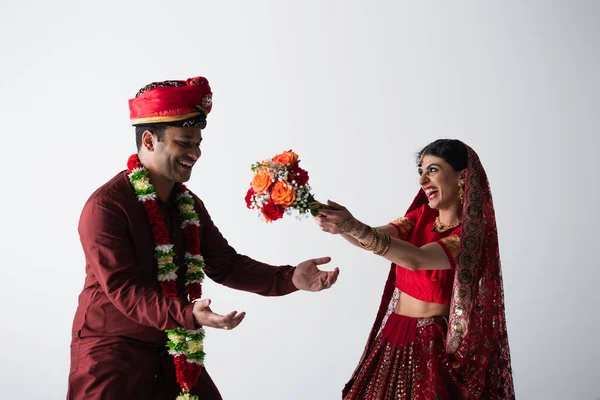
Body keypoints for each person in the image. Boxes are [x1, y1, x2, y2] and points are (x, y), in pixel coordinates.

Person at [67, 76, 340, 400]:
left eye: (197, 144)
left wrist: (290, 278)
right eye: (184, 143)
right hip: (113, 353)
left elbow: (224, 264)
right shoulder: (106, 207)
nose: (194, 153)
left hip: (174, 346)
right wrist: (187, 314)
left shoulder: (188, 204)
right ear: (150, 141)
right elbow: (124, 291)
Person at [314, 139, 514, 399]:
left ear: (462, 177)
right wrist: (340, 225)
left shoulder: (470, 236)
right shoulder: (421, 217)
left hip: (433, 345)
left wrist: (353, 227)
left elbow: (416, 259)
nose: (422, 181)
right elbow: (373, 238)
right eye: (421, 171)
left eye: (432, 170)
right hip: (395, 333)